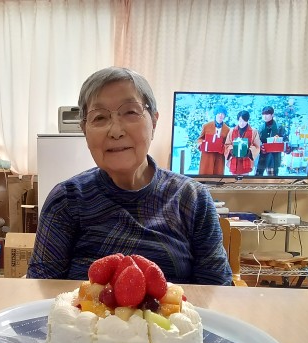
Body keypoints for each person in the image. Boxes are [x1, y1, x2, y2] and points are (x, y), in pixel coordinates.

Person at [27, 67, 232, 285]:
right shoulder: (67, 199)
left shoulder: (192, 198)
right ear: (84, 131)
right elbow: (42, 289)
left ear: (154, 122)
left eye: (130, 112)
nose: (116, 131)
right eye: (99, 117)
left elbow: (216, 290)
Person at [224, 110, 261, 176]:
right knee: (233, 180)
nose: (242, 123)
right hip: (235, 160)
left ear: (247, 120)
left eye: (244, 121)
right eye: (240, 121)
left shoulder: (254, 131)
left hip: (246, 160)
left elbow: (257, 146)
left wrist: (249, 151)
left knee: (245, 180)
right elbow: (227, 144)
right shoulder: (232, 131)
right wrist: (231, 150)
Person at [255, 106, 289, 176]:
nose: (265, 116)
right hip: (261, 158)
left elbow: (285, 140)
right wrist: (260, 147)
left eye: (267, 114)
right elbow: (256, 141)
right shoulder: (260, 127)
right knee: (257, 178)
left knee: (272, 179)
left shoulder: (279, 127)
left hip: (273, 158)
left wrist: (286, 147)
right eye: (263, 114)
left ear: (272, 114)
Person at [196, 105, 230, 175]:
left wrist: (224, 147)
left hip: (219, 157)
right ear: (215, 114)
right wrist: (201, 144)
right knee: (205, 176)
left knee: (218, 177)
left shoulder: (227, 129)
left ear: (224, 116)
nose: (220, 115)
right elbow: (200, 139)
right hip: (207, 156)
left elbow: (228, 143)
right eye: (219, 113)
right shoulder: (206, 126)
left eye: (222, 114)